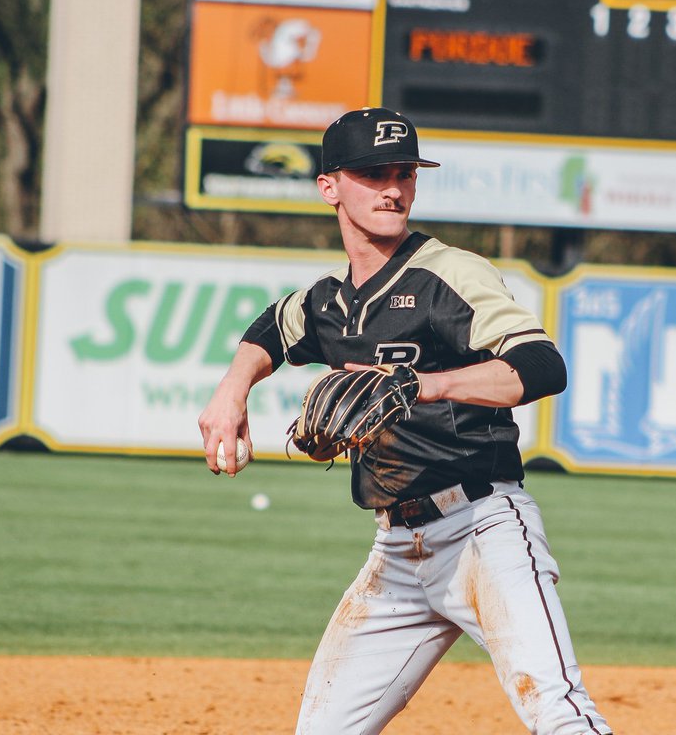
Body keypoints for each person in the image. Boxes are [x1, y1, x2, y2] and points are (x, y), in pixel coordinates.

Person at [197, 107, 612, 734]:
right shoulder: (330, 301)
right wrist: (231, 391)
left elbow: (542, 365)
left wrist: (425, 384)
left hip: (482, 529)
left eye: (404, 173)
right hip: (397, 550)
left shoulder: (448, 273)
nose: (394, 188)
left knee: (558, 712)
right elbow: (271, 329)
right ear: (330, 186)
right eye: (373, 173)